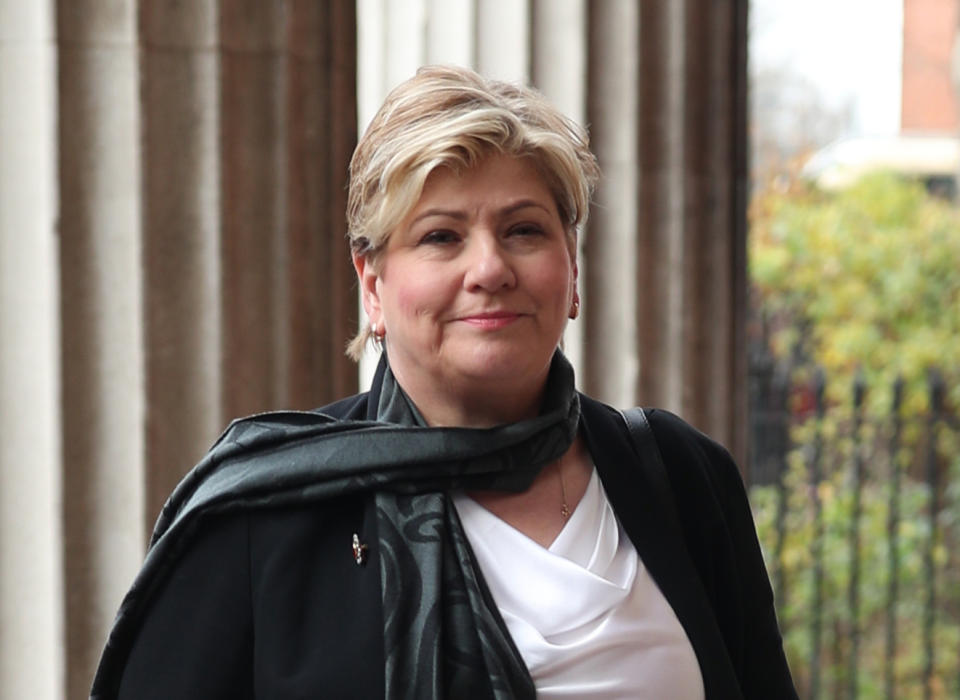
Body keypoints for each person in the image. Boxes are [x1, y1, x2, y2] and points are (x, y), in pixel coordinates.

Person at [90, 65, 797, 700]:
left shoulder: (679, 478)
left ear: (572, 270)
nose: (489, 268)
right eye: (441, 237)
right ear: (372, 285)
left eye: (523, 230)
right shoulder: (259, 516)